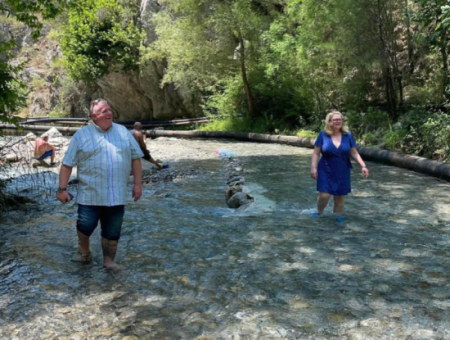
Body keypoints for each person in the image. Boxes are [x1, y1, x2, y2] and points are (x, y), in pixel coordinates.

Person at [56, 99, 144, 269]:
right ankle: (84, 248)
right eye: (103, 111)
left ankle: (109, 261)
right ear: (94, 116)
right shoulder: (81, 135)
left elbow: (136, 158)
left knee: (113, 231)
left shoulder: (123, 132)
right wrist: (62, 189)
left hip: (117, 194)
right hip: (90, 194)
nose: (109, 113)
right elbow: (67, 164)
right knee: (85, 225)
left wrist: (138, 184)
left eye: (109, 110)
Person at [310, 110, 369, 220]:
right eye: (335, 120)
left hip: (342, 168)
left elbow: (354, 152)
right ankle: (319, 211)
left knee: (339, 197)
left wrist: (363, 165)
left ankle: (338, 217)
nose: (338, 121)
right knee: (324, 195)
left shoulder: (348, 135)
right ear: (329, 122)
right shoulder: (323, 135)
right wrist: (313, 168)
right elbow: (316, 152)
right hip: (325, 168)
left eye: (340, 119)